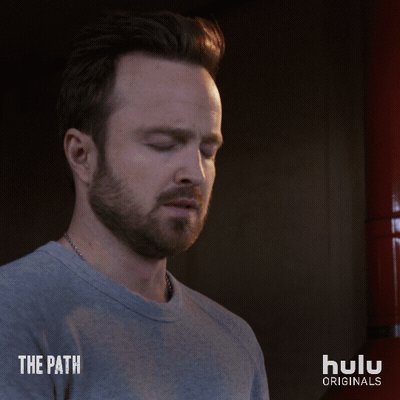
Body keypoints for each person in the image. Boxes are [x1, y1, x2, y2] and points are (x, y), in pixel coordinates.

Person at [0, 11, 269, 399]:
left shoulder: (235, 344)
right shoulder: (15, 312)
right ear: (82, 155)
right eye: (163, 144)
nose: (194, 173)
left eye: (208, 150)